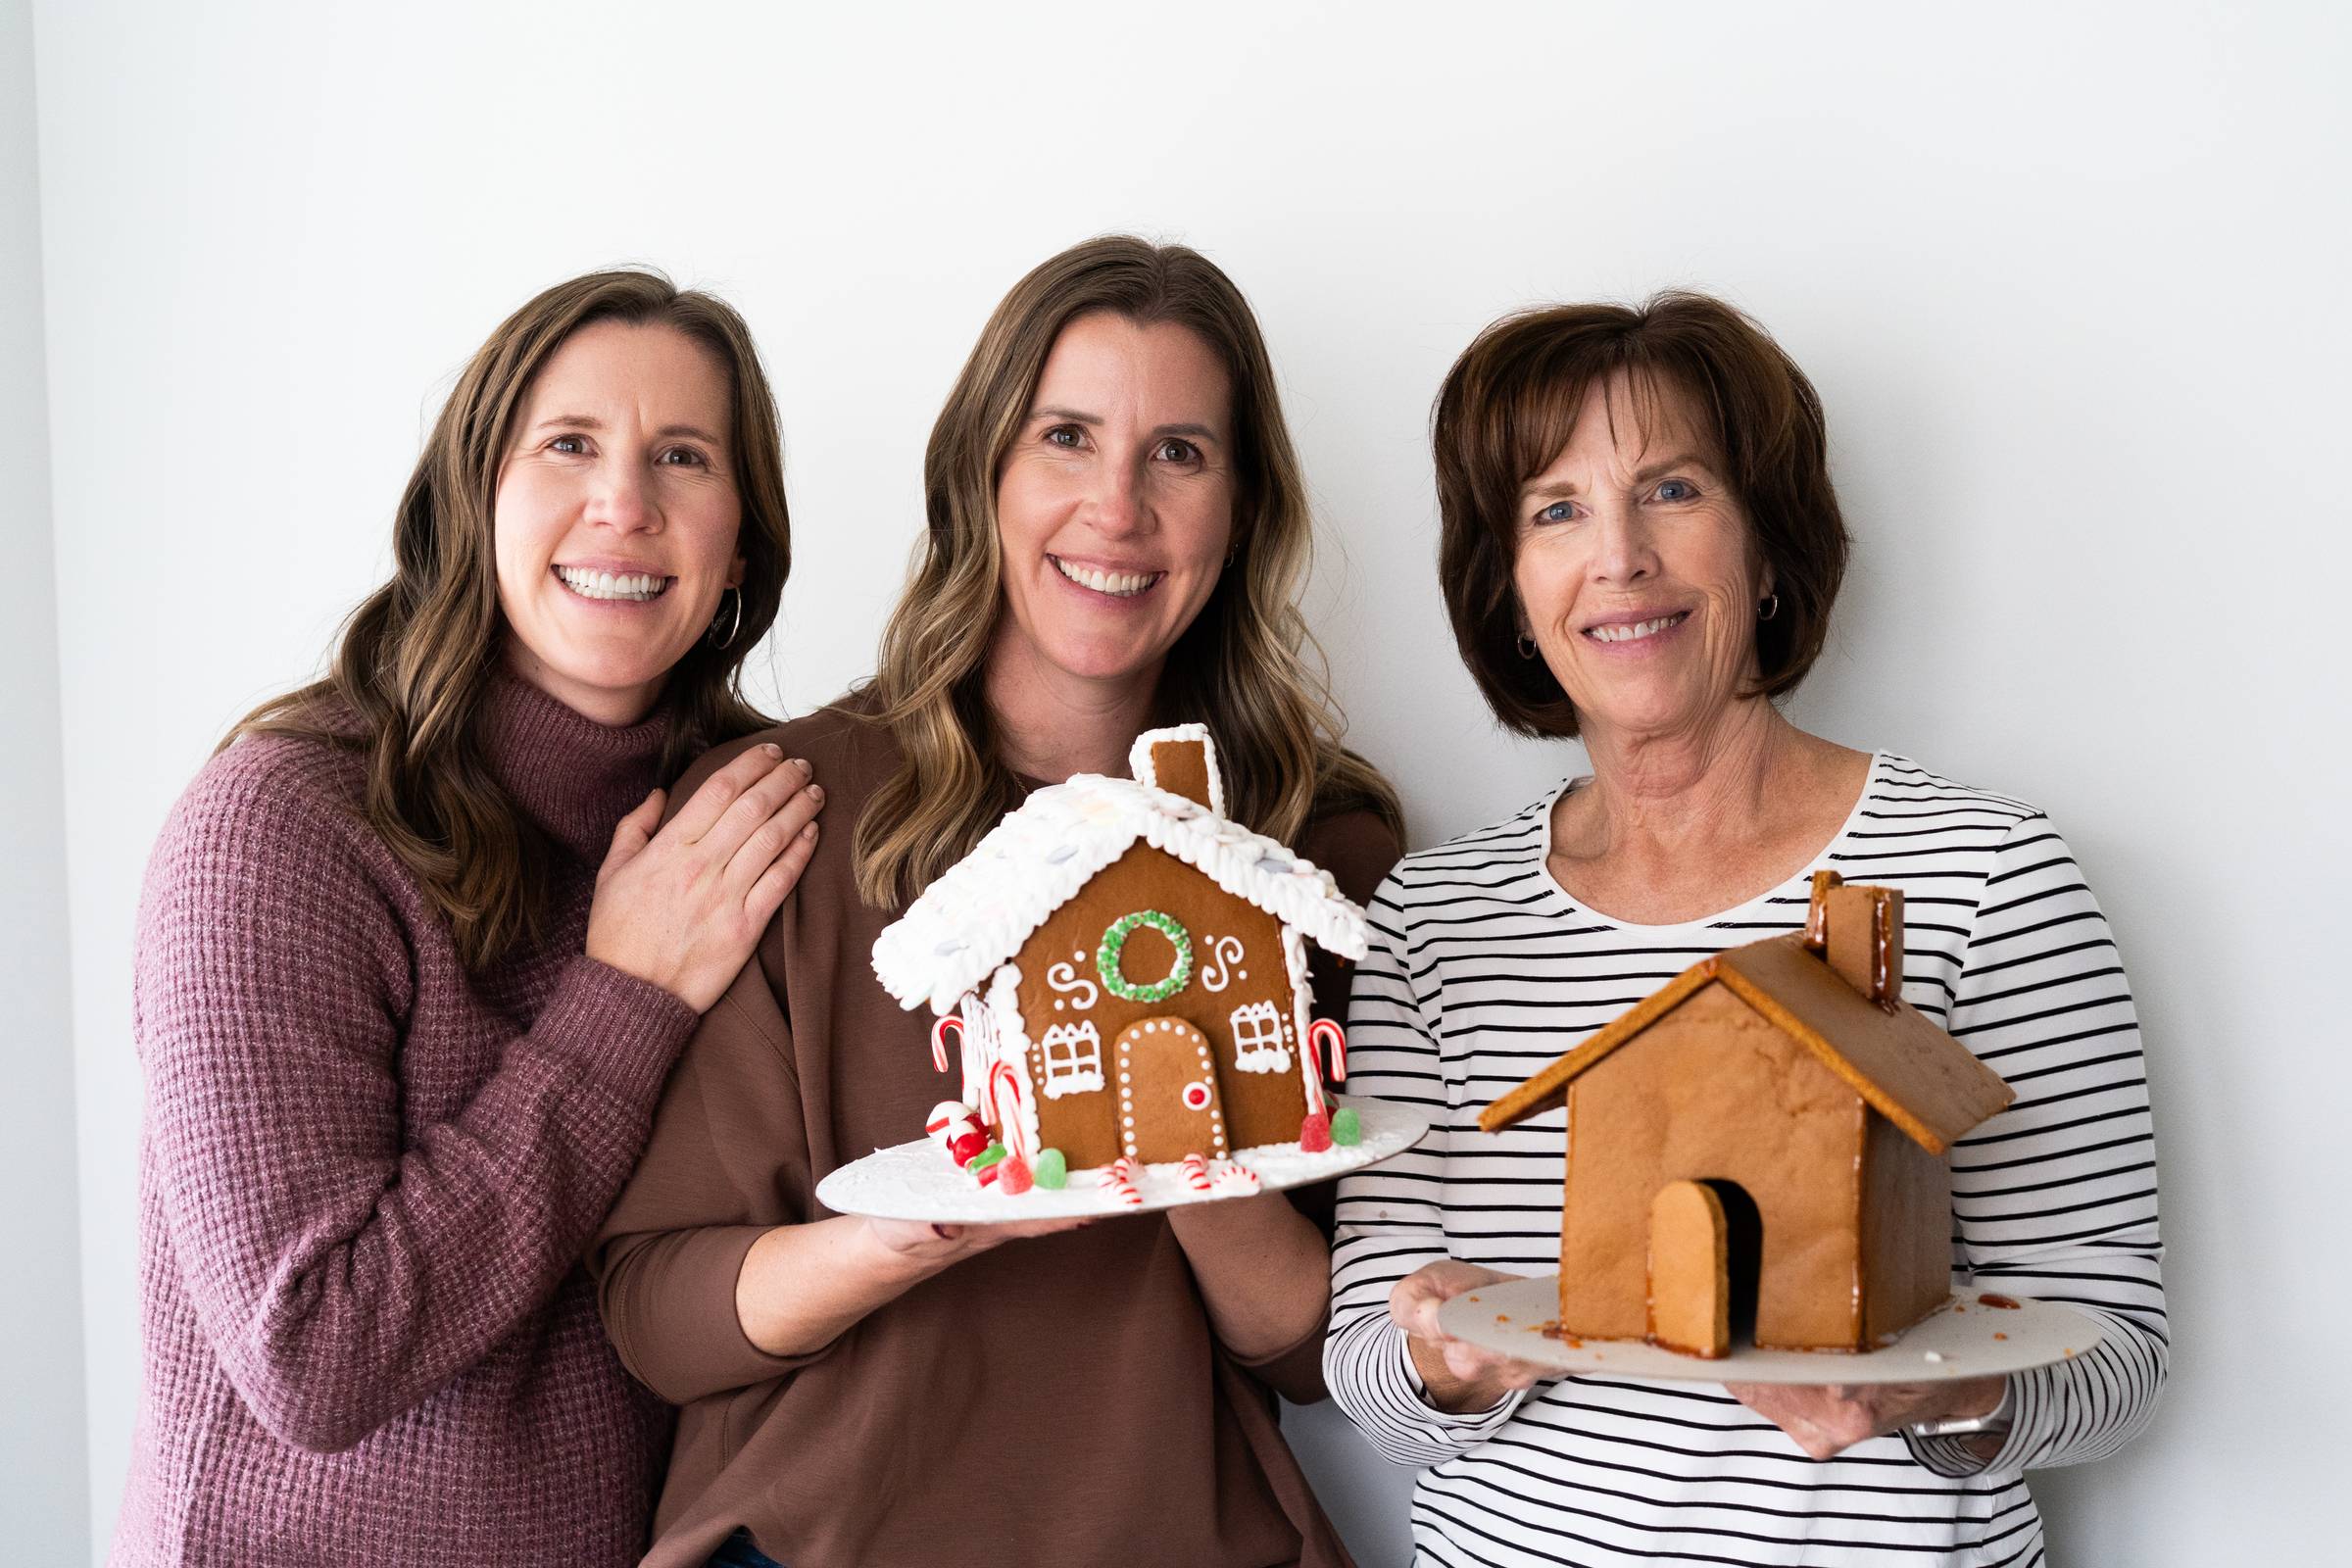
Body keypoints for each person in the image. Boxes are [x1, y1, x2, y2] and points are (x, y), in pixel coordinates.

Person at [590, 236, 1403, 1568]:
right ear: (984, 473)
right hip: (819, 1541)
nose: (1119, 507)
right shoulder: (778, 809)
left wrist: (1178, 1137)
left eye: (1180, 453)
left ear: (1243, 510)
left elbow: (1327, 1354)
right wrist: (910, 1236)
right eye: (1067, 437)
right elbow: (657, 1316)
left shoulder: (1308, 853)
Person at [1324, 293, 2168, 1565]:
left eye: (1671, 491)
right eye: (1556, 511)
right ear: (1510, 588)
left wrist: (1947, 1393)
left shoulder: (1989, 878)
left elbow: (2117, 1352)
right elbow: (1364, 1375)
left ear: (1768, 551)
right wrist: (1442, 1365)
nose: (1619, 558)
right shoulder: (1433, 918)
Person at [114, 270, 825, 1567]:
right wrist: (627, 1000)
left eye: (683, 456)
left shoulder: (746, 824)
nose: (626, 503)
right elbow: (312, 1353)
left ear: (741, 544)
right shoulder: (279, 827)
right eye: (570, 445)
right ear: (473, 495)